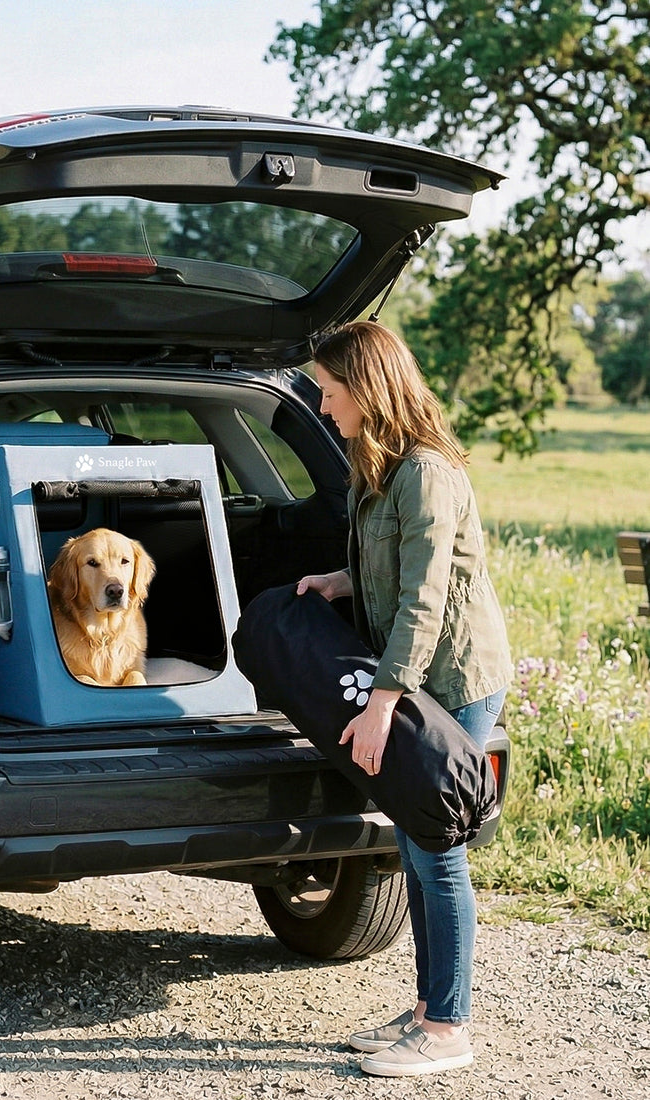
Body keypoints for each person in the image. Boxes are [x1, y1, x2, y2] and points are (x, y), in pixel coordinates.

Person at [297, 320, 512, 1078]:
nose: (323, 408)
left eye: (329, 392)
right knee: (418, 849)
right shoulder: (381, 465)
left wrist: (383, 702)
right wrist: (341, 582)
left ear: (368, 386)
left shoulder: (426, 473)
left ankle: (449, 1027)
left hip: (453, 681)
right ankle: (428, 1008)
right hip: (421, 678)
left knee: (435, 850)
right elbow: (399, 568)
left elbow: (424, 601)